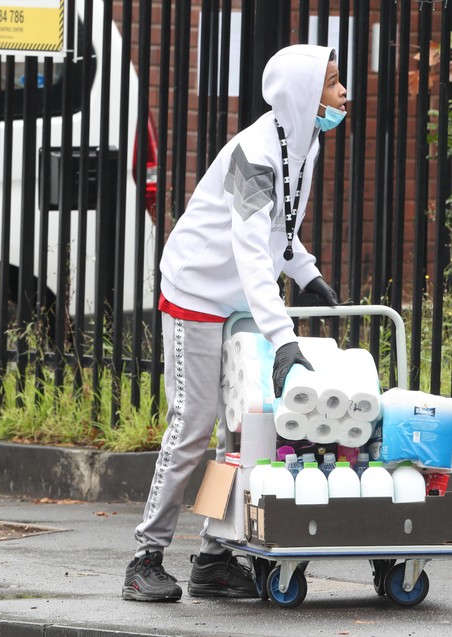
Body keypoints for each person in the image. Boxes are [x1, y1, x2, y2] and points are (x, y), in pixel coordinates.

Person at [122, 44, 347, 602]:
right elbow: (250, 252)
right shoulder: (252, 156)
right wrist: (285, 339)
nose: (344, 96)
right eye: (333, 84)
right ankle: (144, 558)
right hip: (199, 292)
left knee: (238, 433)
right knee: (193, 425)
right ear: (301, 95)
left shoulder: (303, 142)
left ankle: (213, 557)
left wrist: (308, 272)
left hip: (240, 298)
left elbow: (280, 232)